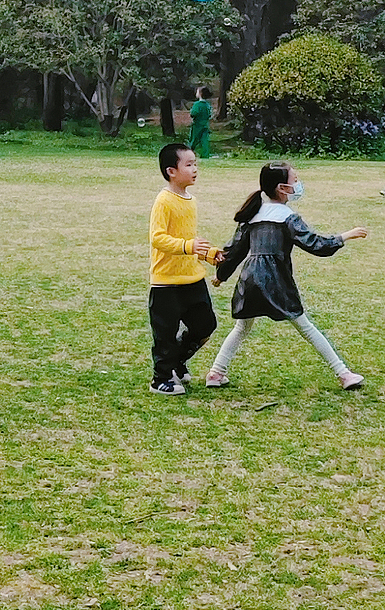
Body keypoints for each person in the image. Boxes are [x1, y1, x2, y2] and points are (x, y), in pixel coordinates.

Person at [206, 162, 367, 391]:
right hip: (276, 281)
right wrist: (344, 236)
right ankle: (343, 373)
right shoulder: (288, 218)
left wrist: (221, 276)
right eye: (295, 180)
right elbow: (315, 244)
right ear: (283, 188)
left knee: (242, 328)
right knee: (306, 327)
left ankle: (216, 373)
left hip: (249, 281)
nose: (298, 184)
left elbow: (234, 251)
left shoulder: (252, 217)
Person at [148, 142, 221, 396]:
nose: (195, 169)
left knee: (205, 325)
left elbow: (190, 237)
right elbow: (158, 238)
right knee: (165, 335)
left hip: (192, 279)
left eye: (195, 164)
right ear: (171, 171)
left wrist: (210, 254)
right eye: (188, 165)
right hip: (166, 282)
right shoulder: (164, 200)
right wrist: (188, 246)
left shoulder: (190, 200)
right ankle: (161, 379)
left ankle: (177, 363)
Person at [188, 87, 214, 159]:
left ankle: (188, 153)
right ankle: (205, 155)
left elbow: (194, 113)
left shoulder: (197, 104)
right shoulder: (207, 105)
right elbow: (209, 114)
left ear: (200, 94)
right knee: (204, 141)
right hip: (205, 125)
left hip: (197, 125)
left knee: (193, 140)